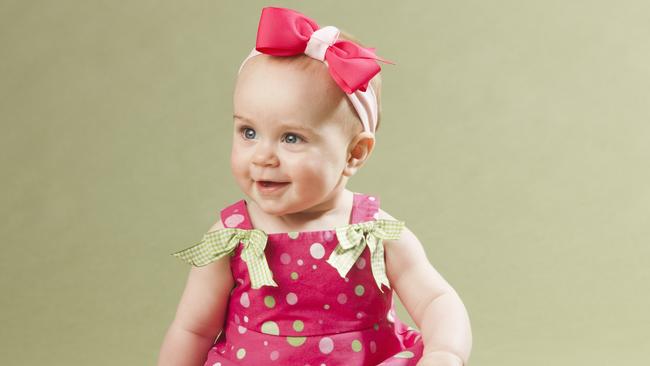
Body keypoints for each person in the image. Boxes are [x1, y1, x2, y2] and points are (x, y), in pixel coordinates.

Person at [157, 7, 472, 366]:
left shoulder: (371, 233)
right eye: (249, 132)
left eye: (291, 138)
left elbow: (436, 300)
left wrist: (446, 352)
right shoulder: (233, 238)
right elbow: (192, 330)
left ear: (355, 153)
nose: (263, 156)